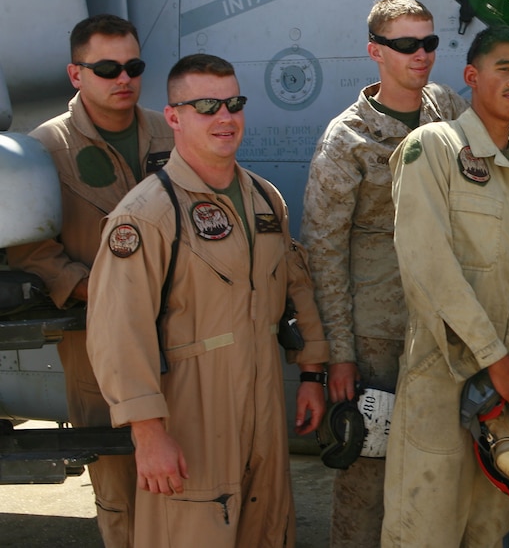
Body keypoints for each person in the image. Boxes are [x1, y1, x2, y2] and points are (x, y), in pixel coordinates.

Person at [300, 0, 509, 546]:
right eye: (406, 45)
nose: (421, 55)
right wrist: (340, 353)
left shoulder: (444, 108)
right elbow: (324, 248)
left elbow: (497, 107)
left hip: (454, 330)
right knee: (370, 484)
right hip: (379, 331)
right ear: (376, 51)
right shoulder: (347, 137)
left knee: (452, 483)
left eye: (429, 43)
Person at [85, 54, 330, 547]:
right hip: (192, 408)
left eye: (233, 103)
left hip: (263, 402)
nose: (225, 117)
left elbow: (294, 288)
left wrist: (311, 373)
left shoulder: (266, 200)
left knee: (266, 528)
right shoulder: (147, 214)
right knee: (194, 530)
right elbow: (117, 329)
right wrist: (148, 434)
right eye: (206, 106)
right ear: (173, 116)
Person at [382, 26, 509, 548]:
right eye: (503, 68)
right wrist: (493, 356)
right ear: (472, 76)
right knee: (422, 532)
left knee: (487, 536)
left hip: (508, 397)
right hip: (443, 382)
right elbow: (427, 263)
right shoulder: (433, 148)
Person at [5, 13, 173, 547]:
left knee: (183, 468)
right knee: (118, 479)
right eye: (106, 68)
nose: (123, 78)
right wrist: (90, 288)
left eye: (133, 66)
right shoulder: (44, 148)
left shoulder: (170, 130)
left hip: (178, 325)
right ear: (76, 74)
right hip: (93, 336)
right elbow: (33, 252)